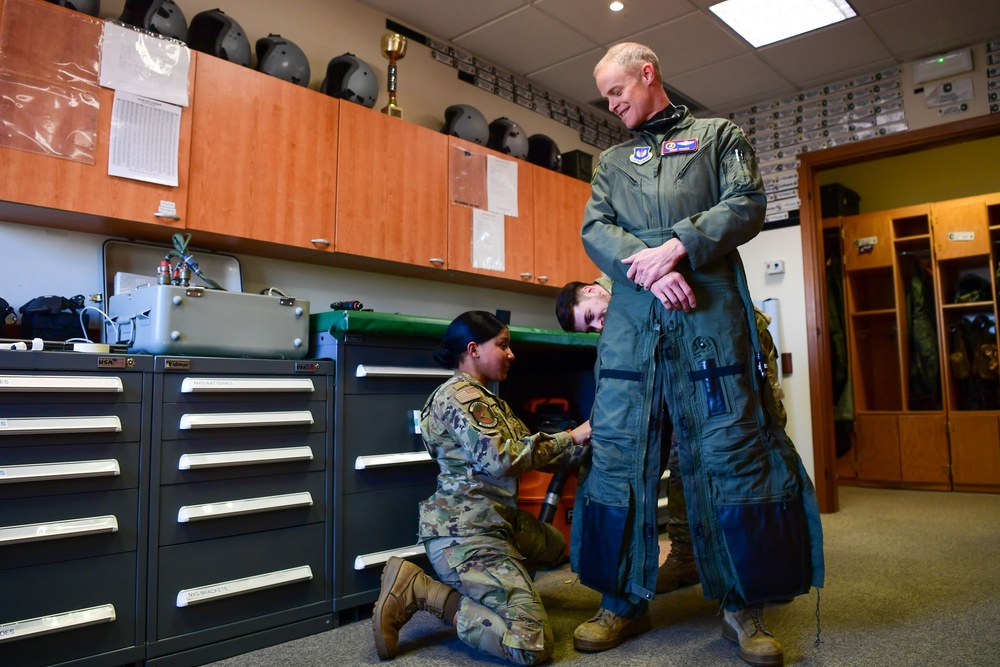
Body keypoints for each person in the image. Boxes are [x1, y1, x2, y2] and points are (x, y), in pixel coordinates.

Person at [568, 43, 824, 667]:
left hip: (708, 316)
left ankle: (744, 606)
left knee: (729, 448)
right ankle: (620, 603)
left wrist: (678, 246)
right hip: (635, 318)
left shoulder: (717, 135)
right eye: (606, 97)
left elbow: (747, 202)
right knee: (620, 451)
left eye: (616, 90)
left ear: (647, 73)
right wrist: (651, 271)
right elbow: (595, 229)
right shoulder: (610, 161)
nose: (612, 103)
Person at [373, 310, 593, 665]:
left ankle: (503, 589)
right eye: (503, 345)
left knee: (552, 545)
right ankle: (426, 592)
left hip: (495, 521)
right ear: (473, 350)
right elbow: (504, 459)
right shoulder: (461, 397)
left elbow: (536, 454)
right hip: (465, 533)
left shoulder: (488, 399)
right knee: (530, 645)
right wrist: (572, 436)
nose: (511, 354)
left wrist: (587, 443)